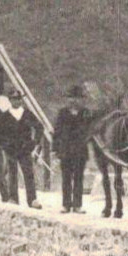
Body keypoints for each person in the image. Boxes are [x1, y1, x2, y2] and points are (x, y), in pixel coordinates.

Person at [0, 93, 44, 209]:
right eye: (13, 99)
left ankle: (32, 200)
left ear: (21, 100)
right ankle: (13, 198)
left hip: (25, 148)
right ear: (10, 100)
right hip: (11, 149)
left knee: (28, 173)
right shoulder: (5, 116)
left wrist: (34, 141)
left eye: (18, 99)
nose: (16, 101)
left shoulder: (27, 114)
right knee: (12, 173)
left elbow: (39, 127)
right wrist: (4, 144)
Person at [53, 84, 92, 213]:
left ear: (82, 100)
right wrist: (55, 150)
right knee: (66, 178)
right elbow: (57, 132)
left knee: (79, 178)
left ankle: (77, 205)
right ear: (68, 99)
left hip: (80, 150)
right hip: (65, 150)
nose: (74, 100)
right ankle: (66, 204)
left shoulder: (86, 113)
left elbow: (90, 131)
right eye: (72, 97)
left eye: (78, 98)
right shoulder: (62, 113)